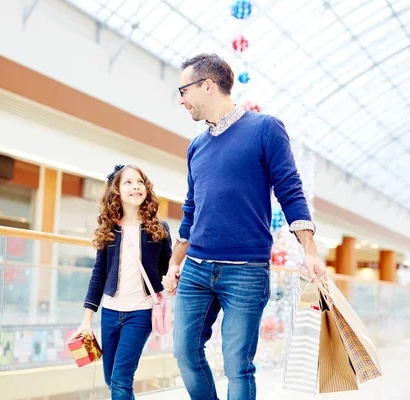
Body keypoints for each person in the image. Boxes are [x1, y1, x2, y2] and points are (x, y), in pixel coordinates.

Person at [161, 53, 327, 400]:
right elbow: (192, 209)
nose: (180, 99)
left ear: (207, 85)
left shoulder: (265, 128)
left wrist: (309, 251)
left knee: (238, 365)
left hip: (246, 272)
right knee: (185, 353)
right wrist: (176, 262)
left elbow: (290, 190)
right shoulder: (197, 146)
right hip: (196, 269)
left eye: (183, 90)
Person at [73, 164, 172, 400]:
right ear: (116, 190)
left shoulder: (159, 229)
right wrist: (87, 320)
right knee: (110, 378)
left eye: (140, 182)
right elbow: (98, 275)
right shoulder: (109, 229)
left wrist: (173, 279)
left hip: (140, 313)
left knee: (121, 380)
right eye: (128, 182)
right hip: (109, 313)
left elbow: (167, 270)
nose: (135, 186)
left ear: (146, 189)